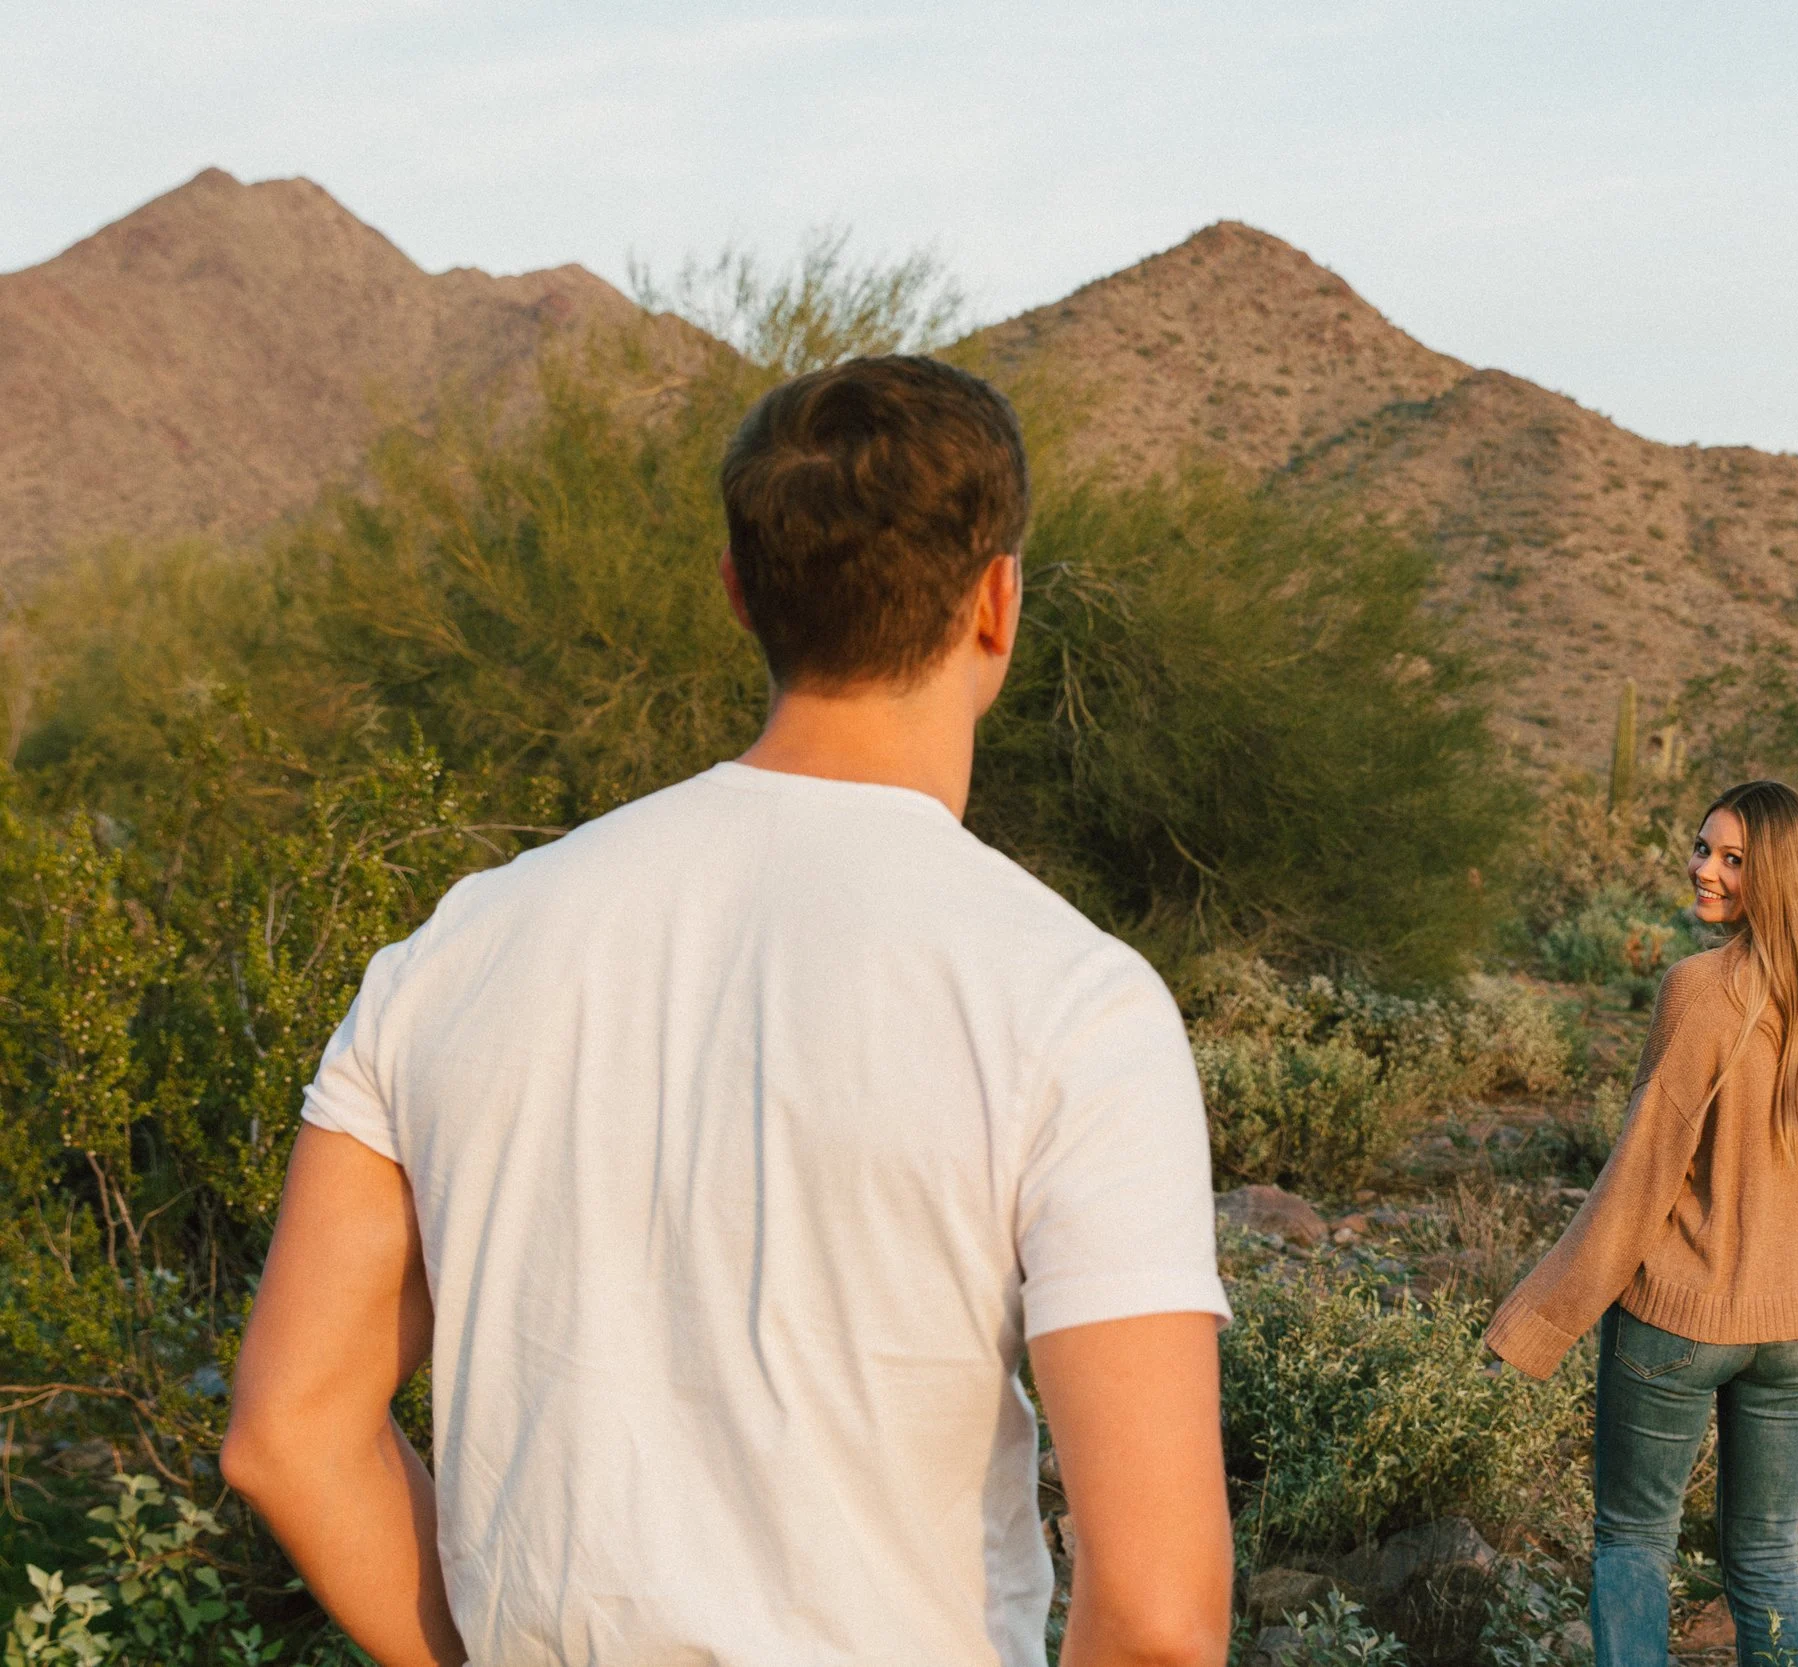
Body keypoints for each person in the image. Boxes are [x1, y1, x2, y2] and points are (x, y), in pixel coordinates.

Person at [220, 357, 1236, 1667]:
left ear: (741, 592)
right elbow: (1157, 1615)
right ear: (999, 599)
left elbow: (288, 1429)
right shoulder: (1069, 998)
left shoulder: (454, 950)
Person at [1485, 779, 1798, 1667]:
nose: (1703, 868)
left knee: (1634, 1540)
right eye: (1703, 847)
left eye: (1732, 858)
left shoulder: (1702, 990)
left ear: (1777, 876)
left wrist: (1537, 1320)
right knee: (1764, 1559)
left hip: (1679, 1321)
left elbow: (1639, 1179)